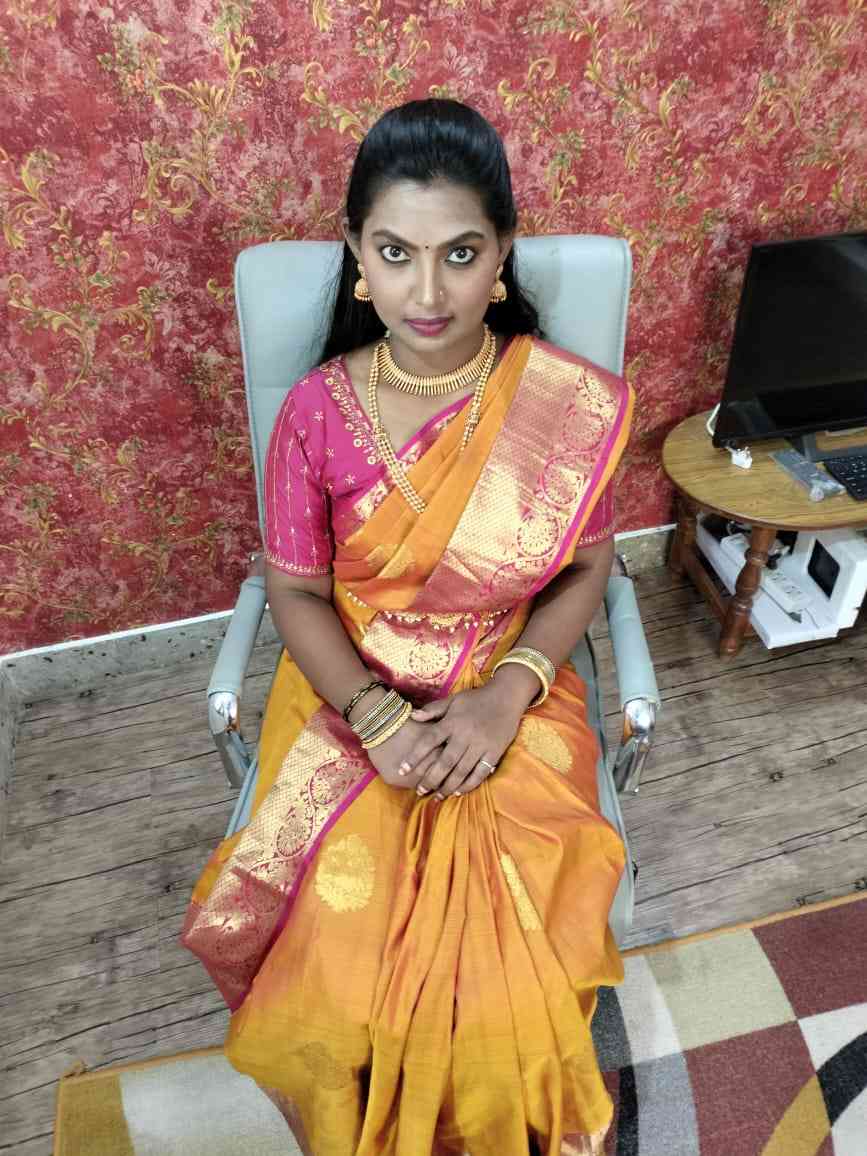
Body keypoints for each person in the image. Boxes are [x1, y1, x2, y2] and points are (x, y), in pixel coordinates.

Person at [181, 98, 634, 1156]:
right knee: (338, 981)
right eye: (395, 253)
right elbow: (295, 594)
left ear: (502, 254)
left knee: (518, 962)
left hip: (509, 685)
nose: (427, 293)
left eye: (460, 254)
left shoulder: (561, 405)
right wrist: (376, 716)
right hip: (349, 691)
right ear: (357, 255)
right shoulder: (314, 412)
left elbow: (586, 567)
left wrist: (507, 695)